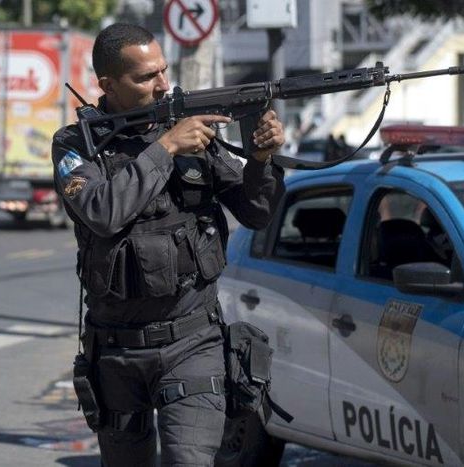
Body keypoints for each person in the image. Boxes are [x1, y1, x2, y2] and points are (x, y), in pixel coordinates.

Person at [51, 23, 286, 466]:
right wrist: (165, 148)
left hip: (192, 343)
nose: (162, 84)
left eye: (163, 71)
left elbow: (256, 211)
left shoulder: (192, 134)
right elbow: (102, 211)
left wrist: (261, 160)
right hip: (116, 352)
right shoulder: (75, 145)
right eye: (145, 77)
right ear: (108, 84)